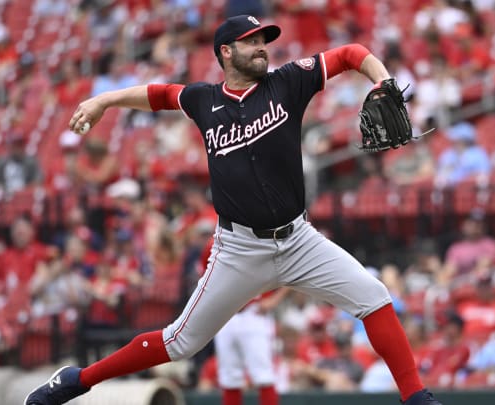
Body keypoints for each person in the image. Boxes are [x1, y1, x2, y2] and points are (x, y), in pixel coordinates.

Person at [25, 15, 444, 405]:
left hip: (299, 240)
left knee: (374, 297)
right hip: (240, 249)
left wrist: (383, 79)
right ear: (226, 52)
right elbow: (157, 95)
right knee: (180, 343)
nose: (262, 47)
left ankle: (417, 398)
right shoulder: (203, 100)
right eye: (252, 42)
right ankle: (76, 381)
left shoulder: (288, 83)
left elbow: (352, 53)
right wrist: (105, 100)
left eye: (264, 41)